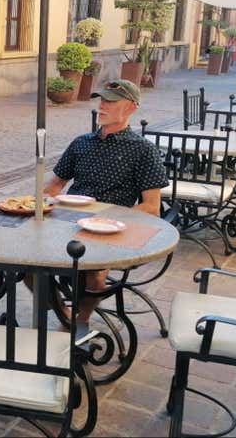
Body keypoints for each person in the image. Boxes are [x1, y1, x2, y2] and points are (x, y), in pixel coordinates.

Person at [43, 79, 169, 326]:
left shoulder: (143, 150)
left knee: (95, 275)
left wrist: (109, 221)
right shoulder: (81, 143)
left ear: (132, 107)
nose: (102, 105)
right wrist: (38, 203)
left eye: (111, 101)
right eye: (102, 99)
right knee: (27, 265)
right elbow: (55, 185)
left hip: (109, 231)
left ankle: (81, 321)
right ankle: (63, 313)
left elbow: (151, 207)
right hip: (67, 222)